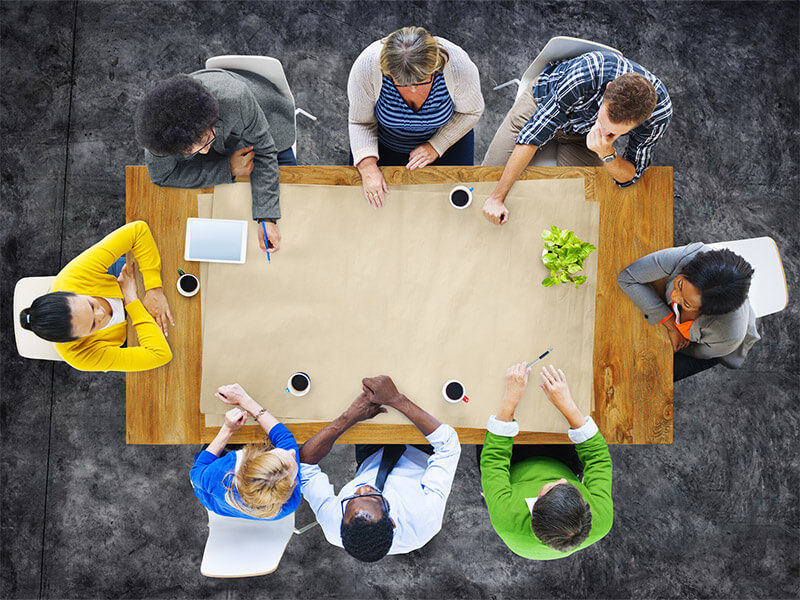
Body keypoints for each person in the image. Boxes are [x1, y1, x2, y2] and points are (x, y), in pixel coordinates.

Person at [481, 50, 672, 225]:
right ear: (608, 88)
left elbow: (631, 176)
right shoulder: (587, 72)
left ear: (647, 118)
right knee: (485, 185)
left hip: (581, 136)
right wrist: (496, 198)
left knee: (579, 213)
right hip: (541, 106)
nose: (603, 133)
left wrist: (607, 153)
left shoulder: (659, 115)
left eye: (613, 133)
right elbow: (534, 134)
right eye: (602, 121)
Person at [135, 68, 297, 255]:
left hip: (264, 121)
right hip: (224, 140)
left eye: (205, 141)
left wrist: (266, 217)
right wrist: (227, 168)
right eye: (189, 150)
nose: (204, 151)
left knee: (291, 198)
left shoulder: (236, 97)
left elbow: (265, 149)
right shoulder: (159, 134)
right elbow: (162, 176)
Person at [299, 375, 461, 562]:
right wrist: (396, 399)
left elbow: (304, 464)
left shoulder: (333, 523)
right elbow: (448, 446)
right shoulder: (425, 519)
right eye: (374, 498)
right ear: (391, 521)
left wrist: (349, 416)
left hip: (372, 454)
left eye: (351, 499)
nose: (362, 489)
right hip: (423, 446)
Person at [479, 363, 613, 560]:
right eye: (572, 488)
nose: (562, 481)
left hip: (510, 466)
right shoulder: (601, 519)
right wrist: (568, 405)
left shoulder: (506, 519)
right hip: (563, 461)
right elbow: (598, 460)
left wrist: (511, 399)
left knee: (483, 415)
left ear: (534, 505)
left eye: (552, 488)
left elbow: (493, 462)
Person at [348, 26, 484, 207]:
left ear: (435, 67)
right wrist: (367, 166)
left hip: (447, 141)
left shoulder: (458, 65)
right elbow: (360, 122)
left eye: (420, 81)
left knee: (452, 209)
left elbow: (471, 112)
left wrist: (436, 145)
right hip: (383, 144)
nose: (412, 89)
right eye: (401, 83)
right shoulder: (366, 66)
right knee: (371, 208)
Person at [18, 221, 173, 372]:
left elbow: (138, 231)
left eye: (91, 305)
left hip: (123, 278)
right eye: (93, 324)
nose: (102, 314)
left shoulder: (73, 277)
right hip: (130, 328)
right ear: (75, 339)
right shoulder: (79, 356)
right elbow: (159, 355)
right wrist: (131, 301)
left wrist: (154, 289)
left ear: (70, 292)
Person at [617, 243, 758, 381]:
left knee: (651, 377)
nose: (674, 296)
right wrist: (672, 327)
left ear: (706, 311)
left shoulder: (727, 335)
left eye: (686, 303)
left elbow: (698, 352)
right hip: (687, 328)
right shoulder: (689, 256)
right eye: (679, 284)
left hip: (708, 349)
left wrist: (670, 347)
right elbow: (627, 278)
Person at [190, 384, 301, 520]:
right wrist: (245, 401)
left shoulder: (220, 472)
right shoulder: (289, 502)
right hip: (232, 508)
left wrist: (228, 429)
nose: (292, 452)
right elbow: (285, 439)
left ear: (252, 460)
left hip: (213, 500)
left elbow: (196, 471)